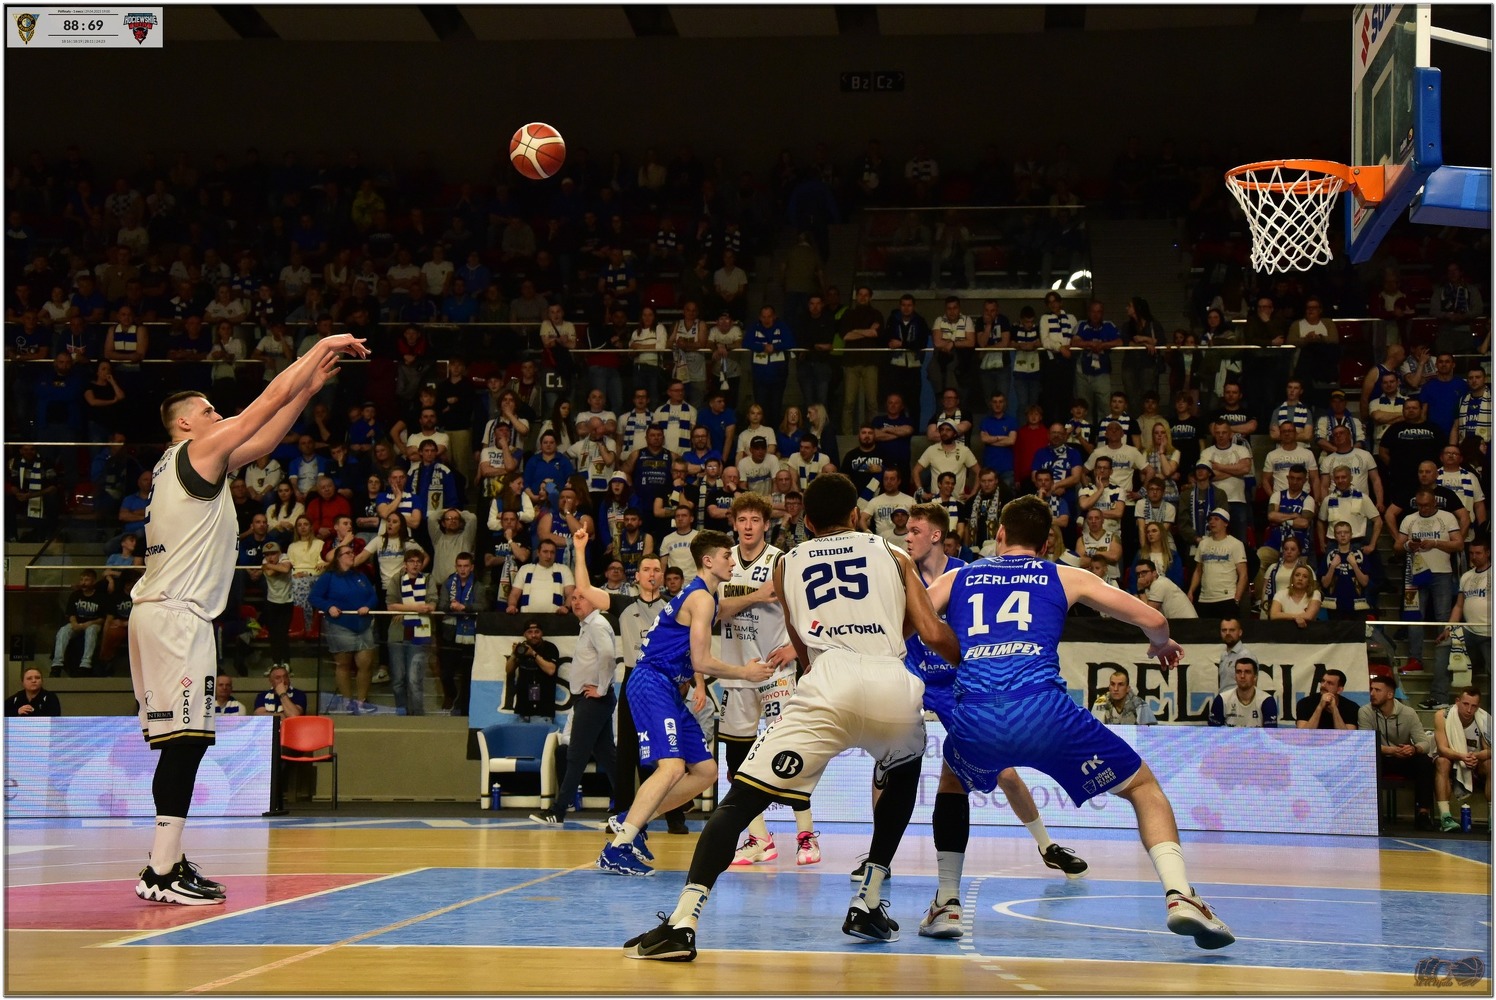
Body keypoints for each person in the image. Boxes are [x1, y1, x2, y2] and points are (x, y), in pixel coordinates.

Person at [622, 475, 957, 959]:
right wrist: (969, 670)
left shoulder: (787, 562)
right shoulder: (893, 553)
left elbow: (801, 643)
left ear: (807, 522)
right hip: (891, 683)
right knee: (903, 769)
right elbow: (932, 631)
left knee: (738, 803)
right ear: (857, 516)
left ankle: (683, 923)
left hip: (827, 683)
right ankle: (868, 899)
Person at [927, 494, 1232, 948]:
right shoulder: (1063, 574)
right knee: (1143, 787)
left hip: (978, 713)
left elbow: (910, 621)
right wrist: (1161, 644)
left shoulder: (959, 576)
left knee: (953, 781)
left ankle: (947, 903)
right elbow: (1153, 617)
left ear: (1000, 534)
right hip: (1045, 712)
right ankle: (1180, 896)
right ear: (1046, 544)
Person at [129, 329, 365, 905]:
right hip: (177, 616)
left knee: (180, 744)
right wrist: (319, 347)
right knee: (186, 744)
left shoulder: (181, 463)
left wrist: (307, 389)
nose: (218, 416)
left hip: (159, 614)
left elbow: (263, 438)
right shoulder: (195, 451)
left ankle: (166, 860)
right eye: (209, 411)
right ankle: (161, 872)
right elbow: (263, 404)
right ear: (186, 423)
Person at [884, 502, 1090, 941]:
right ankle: (878, 858)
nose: (907, 537)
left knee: (1004, 773)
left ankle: (1046, 845)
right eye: (906, 531)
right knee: (890, 761)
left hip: (962, 681)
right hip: (917, 680)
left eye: (915, 531)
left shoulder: (968, 573)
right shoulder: (902, 577)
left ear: (936, 535)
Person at [598, 529, 772, 881]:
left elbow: (722, 609)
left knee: (705, 771)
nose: (732, 560)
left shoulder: (704, 596)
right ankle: (617, 849)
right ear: (708, 560)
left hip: (667, 687)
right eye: (726, 556)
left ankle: (631, 820)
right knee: (672, 767)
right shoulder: (701, 599)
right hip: (651, 682)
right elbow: (702, 661)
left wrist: (758, 595)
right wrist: (745, 672)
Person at [713, 493, 818, 868]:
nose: (747, 526)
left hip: (776, 673)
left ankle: (806, 835)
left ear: (766, 524)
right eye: (742, 519)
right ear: (733, 523)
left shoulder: (781, 561)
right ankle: (759, 839)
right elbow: (714, 611)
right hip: (736, 674)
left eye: (755, 520)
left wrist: (796, 647)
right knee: (737, 761)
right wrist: (756, 596)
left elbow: (810, 607)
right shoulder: (722, 561)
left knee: (789, 753)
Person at [528, 588, 619, 825]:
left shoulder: (597, 624)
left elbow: (608, 656)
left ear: (595, 602)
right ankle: (627, 809)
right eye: (574, 598)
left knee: (576, 755)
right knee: (607, 757)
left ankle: (558, 811)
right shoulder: (588, 625)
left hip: (594, 700)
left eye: (583, 598)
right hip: (592, 699)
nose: (576, 602)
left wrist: (601, 688)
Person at [1359, 675, 1437, 830]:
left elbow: (1425, 743)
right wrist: (1391, 750)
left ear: (1390, 694)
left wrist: (1413, 749)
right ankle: (1370, 814)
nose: (1372, 693)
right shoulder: (1365, 711)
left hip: (1403, 758)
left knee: (1425, 762)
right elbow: (1365, 744)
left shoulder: (1408, 713)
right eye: (1371, 689)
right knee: (1365, 761)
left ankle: (1423, 814)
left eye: (1377, 690)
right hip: (1380, 757)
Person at [310, 543, 380, 715]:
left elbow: (373, 596)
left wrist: (368, 606)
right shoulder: (329, 577)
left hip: (363, 625)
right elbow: (314, 597)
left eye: (352, 552)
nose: (352, 555)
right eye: (347, 553)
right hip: (340, 625)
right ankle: (347, 702)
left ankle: (361, 701)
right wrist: (328, 607)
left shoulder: (360, 575)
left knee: (366, 664)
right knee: (344, 665)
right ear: (338, 558)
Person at [1432, 688, 1491, 832]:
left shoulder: (1485, 719)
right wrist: (1462, 757)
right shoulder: (1442, 716)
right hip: (1452, 759)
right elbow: (1442, 748)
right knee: (1442, 762)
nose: (1469, 710)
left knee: (1491, 764)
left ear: (1478, 706)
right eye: (1465, 704)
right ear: (1457, 701)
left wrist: (1475, 756)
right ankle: (1445, 817)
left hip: (1475, 761)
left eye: (1474, 706)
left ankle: (1493, 817)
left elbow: (1489, 750)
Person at [385, 549, 435, 716]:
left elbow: (431, 604)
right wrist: (416, 608)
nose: (415, 564)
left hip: (419, 635)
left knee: (414, 680)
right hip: (398, 634)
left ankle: (417, 715)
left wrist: (404, 609)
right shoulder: (397, 579)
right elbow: (390, 605)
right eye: (411, 561)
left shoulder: (428, 579)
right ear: (405, 564)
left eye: (418, 561)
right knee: (398, 679)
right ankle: (401, 713)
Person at [438, 552, 489, 716]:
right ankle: (452, 695)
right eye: (459, 566)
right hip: (450, 634)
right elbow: (441, 605)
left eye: (466, 566)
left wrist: (465, 607)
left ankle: (465, 708)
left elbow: (483, 606)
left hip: (470, 636)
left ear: (471, 567)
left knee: (467, 675)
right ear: (456, 567)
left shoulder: (478, 585)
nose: (462, 569)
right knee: (446, 673)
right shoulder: (448, 584)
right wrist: (451, 607)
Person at [1187, 509, 1246, 619]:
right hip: (1205, 599)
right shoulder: (1203, 544)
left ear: (1225, 523)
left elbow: (1243, 574)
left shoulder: (1236, 544)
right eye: (1210, 519)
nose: (1212, 522)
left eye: (1216, 519)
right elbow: (1198, 571)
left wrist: (1237, 598)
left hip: (1227, 598)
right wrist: (1191, 591)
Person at [50, 569, 108, 676]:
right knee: (63, 630)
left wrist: (87, 624)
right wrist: (75, 624)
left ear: (93, 581)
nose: (83, 583)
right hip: (77, 623)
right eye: (81, 580)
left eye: (86, 580)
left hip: (93, 624)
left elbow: (102, 619)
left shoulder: (100, 596)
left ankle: (85, 664)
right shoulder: (75, 595)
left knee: (91, 630)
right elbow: (71, 614)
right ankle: (57, 664)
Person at [1208, 658, 1278, 728]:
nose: (1242, 676)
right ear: (1235, 676)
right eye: (1238, 672)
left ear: (1255, 677)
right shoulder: (1222, 699)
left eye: (1247, 672)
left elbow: (1270, 733)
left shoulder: (1267, 701)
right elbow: (1212, 732)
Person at [1091, 668, 1156, 725]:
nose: (1115, 689)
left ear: (1128, 688)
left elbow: (1151, 732)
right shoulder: (1101, 702)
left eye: (1120, 684)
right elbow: (1093, 730)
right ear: (1109, 687)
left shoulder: (1139, 705)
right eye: (1112, 684)